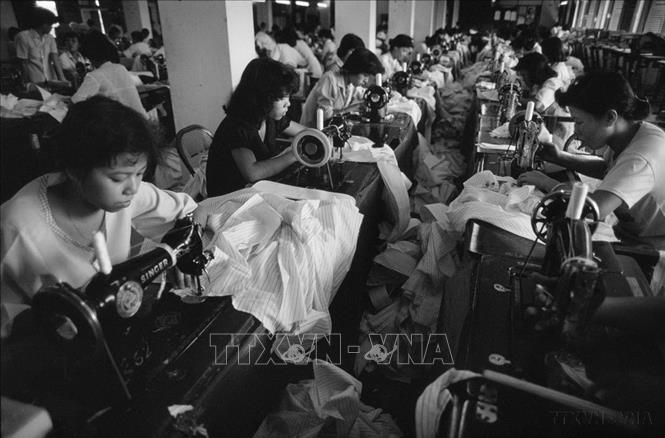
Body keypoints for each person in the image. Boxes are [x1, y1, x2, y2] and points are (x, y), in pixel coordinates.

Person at [0, 96, 197, 338]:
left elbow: (187, 211)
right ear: (74, 169)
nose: (133, 188)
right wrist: (49, 320)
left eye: (140, 174)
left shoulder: (124, 194)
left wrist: (180, 253)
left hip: (113, 330)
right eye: (118, 178)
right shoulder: (15, 226)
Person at [517, 72, 665, 249]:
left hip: (654, 248)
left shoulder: (640, 157)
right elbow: (610, 169)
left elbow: (594, 208)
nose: (576, 130)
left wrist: (547, 183)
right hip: (631, 232)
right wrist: (560, 157)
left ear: (610, 117)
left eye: (579, 122)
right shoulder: (632, 132)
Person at [206, 58, 308, 196]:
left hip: (252, 191)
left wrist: (323, 137)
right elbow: (252, 173)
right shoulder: (236, 126)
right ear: (263, 97)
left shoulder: (269, 117)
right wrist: (296, 154)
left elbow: (305, 132)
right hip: (228, 199)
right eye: (282, 98)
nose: (288, 104)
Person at [300, 47, 384, 128]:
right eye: (365, 75)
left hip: (330, 130)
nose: (366, 80)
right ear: (355, 69)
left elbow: (364, 96)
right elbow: (325, 117)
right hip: (311, 132)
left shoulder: (351, 84)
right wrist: (351, 109)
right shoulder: (330, 79)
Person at [72, 31, 148, 119]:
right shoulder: (121, 68)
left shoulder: (94, 76)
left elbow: (75, 103)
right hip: (142, 120)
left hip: (123, 124)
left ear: (89, 56)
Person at [14, 7, 68, 85]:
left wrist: (62, 79)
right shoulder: (23, 37)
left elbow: (55, 59)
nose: (51, 27)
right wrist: (26, 83)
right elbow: (23, 63)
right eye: (50, 24)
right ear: (43, 24)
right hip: (34, 80)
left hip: (51, 79)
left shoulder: (50, 38)